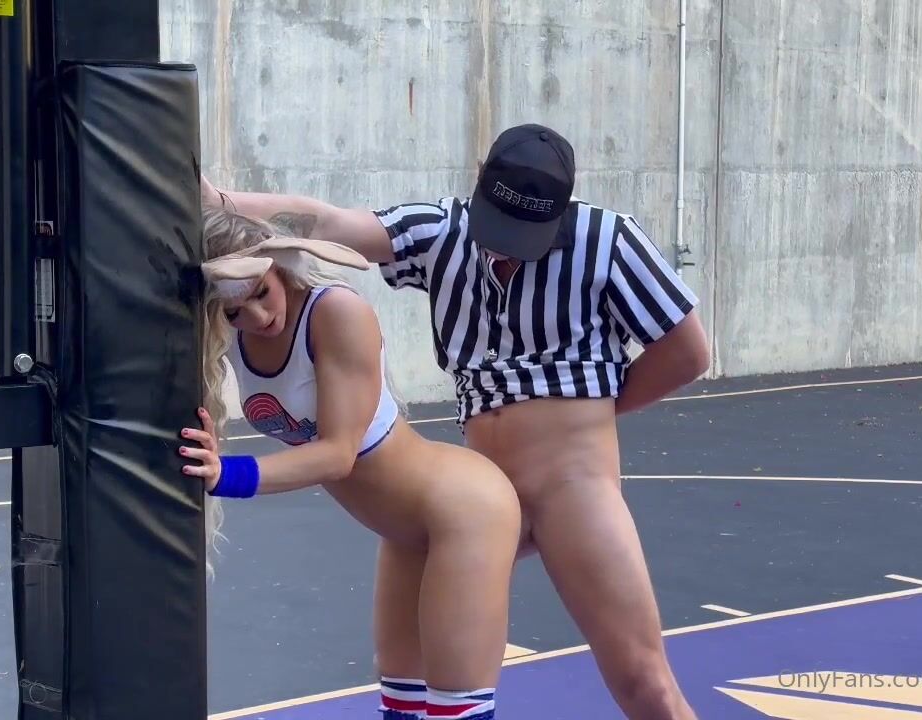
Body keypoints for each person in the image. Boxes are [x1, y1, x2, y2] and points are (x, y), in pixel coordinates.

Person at [201, 123, 712, 720]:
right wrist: (212, 199)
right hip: (476, 480)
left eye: (524, 238)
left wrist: (594, 406)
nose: (503, 250)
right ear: (478, 184)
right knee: (408, 682)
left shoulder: (608, 241)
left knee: (642, 679)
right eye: (497, 230)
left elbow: (688, 352)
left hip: (571, 485)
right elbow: (320, 222)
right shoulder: (443, 230)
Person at [180, 206, 522, 720]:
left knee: (455, 705)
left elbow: (339, 454)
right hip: (402, 529)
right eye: (233, 312)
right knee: (400, 698)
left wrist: (227, 474)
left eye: (261, 293)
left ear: (280, 269)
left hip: (465, 511)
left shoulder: (335, 312)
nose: (257, 317)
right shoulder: (236, 337)